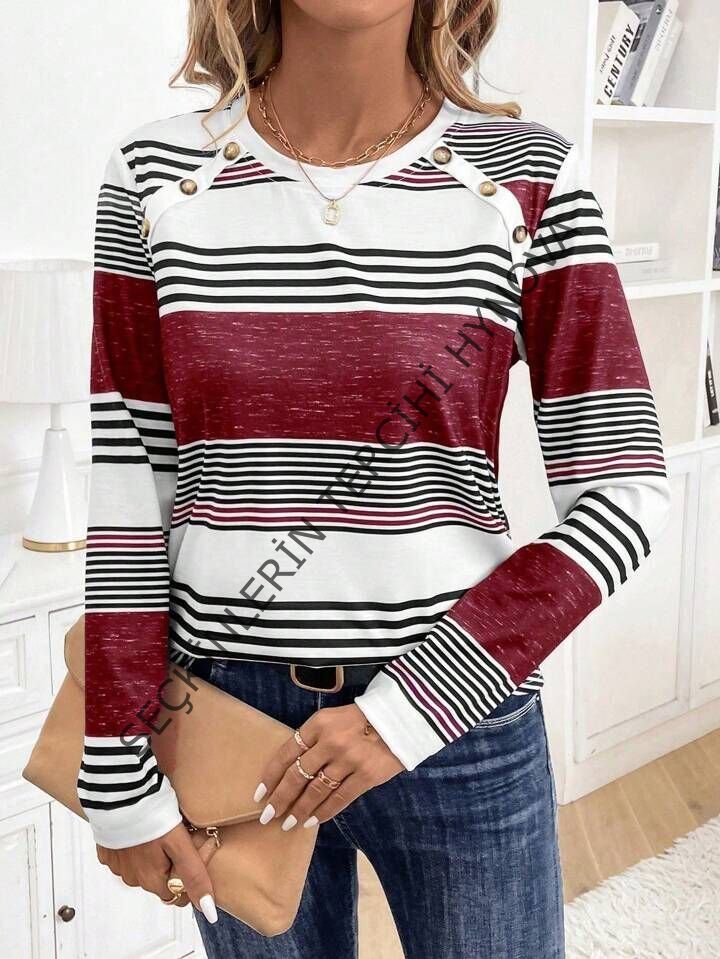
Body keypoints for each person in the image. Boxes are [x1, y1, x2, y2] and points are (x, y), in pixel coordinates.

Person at [82, 1, 672, 956]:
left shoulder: (528, 176)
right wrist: (115, 761)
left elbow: (625, 491)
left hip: (460, 722)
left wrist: (410, 709)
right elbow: (129, 480)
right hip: (225, 719)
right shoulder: (154, 174)